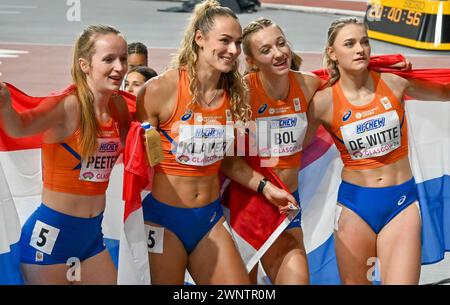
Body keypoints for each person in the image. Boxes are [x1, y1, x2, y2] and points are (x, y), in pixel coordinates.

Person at [136, 0, 296, 284]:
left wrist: (267, 188)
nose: (233, 51)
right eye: (224, 41)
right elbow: (140, 157)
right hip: (163, 221)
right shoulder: (160, 90)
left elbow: (231, 161)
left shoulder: (236, 95)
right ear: (199, 38)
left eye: (237, 43)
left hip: (209, 220)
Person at [306, 17, 449, 284]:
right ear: (332, 53)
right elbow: (295, 150)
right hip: (355, 206)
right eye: (349, 44)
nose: (360, 49)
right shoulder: (323, 103)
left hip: (401, 203)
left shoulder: (394, 83)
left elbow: (444, 92)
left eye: (364, 42)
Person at [0, 24, 131, 284]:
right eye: (108, 59)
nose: (119, 67)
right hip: (50, 240)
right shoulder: (68, 105)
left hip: (92, 238)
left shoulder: (118, 106)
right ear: (85, 65)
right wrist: (4, 104)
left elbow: (134, 145)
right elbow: (19, 127)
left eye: (123, 59)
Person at [240, 18, 324, 284]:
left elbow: (346, 95)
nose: (278, 53)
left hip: (287, 204)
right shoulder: (241, 93)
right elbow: (226, 159)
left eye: (281, 43)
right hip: (245, 206)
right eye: (266, 50)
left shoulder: (309, 85)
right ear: (252, 62)